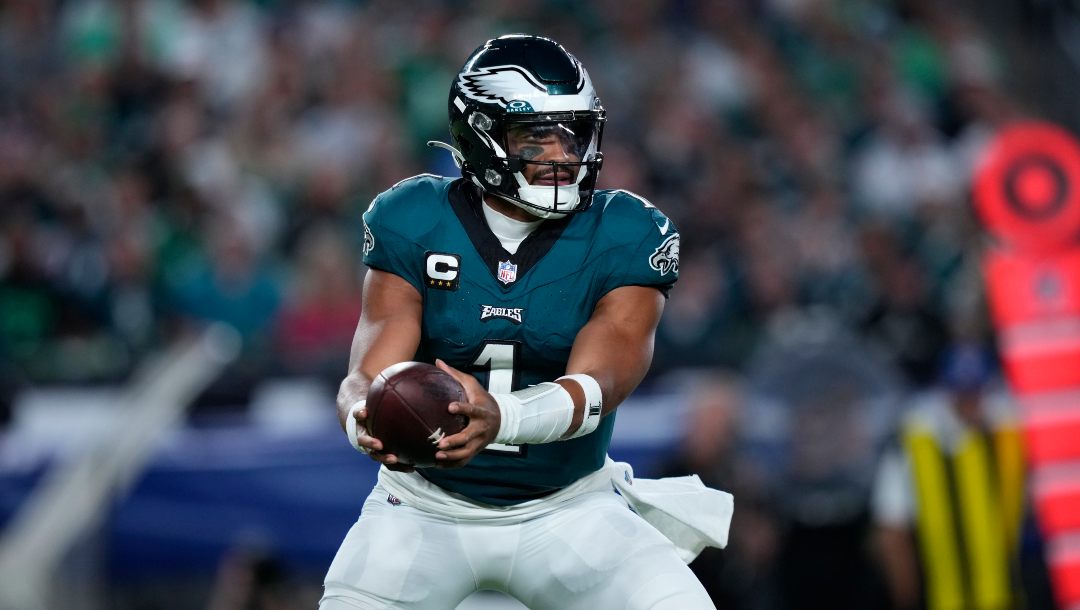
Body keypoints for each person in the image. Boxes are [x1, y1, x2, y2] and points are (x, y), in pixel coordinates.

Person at [321, 34, 730, 609]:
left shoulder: (627, 230)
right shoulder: (412, 217)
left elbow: (603, 381)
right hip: (422, 508)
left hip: (571, 507)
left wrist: (504, 417)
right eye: (537, 135)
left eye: (574, 133)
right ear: (480, 136)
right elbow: (368, 376)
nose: (563, 154)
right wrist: (363, 420)